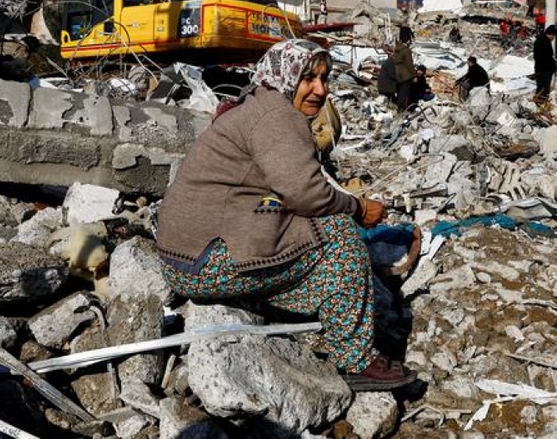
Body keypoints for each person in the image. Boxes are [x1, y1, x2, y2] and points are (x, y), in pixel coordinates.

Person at [155, 39, 416, 391]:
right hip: (203, 262)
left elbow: (288, 187)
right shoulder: (277, 117)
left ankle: (305, 305)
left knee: (298, 228)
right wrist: (358, 208)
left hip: (183, 256)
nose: (320, 90)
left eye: (325, 79)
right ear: (287, 76)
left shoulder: (259, 104)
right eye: (308, 78)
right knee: (337, 233)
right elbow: (307, 194)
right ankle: (355, 360)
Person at [392, 26, 416, 111]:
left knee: (399, 92)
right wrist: (414, 75)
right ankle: (401, 109)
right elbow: (409, 64)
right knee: (404, 93)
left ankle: (399, 108)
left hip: (398, 73)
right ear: (408, 40)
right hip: (406, 75)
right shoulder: (407, 50)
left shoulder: (397, 49)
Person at [533, 25, 557, 103]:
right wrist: (552, 66)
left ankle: (540, 102)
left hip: (541, 69)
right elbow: (545, 57)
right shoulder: (544, 42)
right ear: (550, 34)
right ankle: (540, 103)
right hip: (544, 70)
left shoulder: (541, 40)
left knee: (541, 87)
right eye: (553, 35)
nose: (553, 38)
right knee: (543, 88)